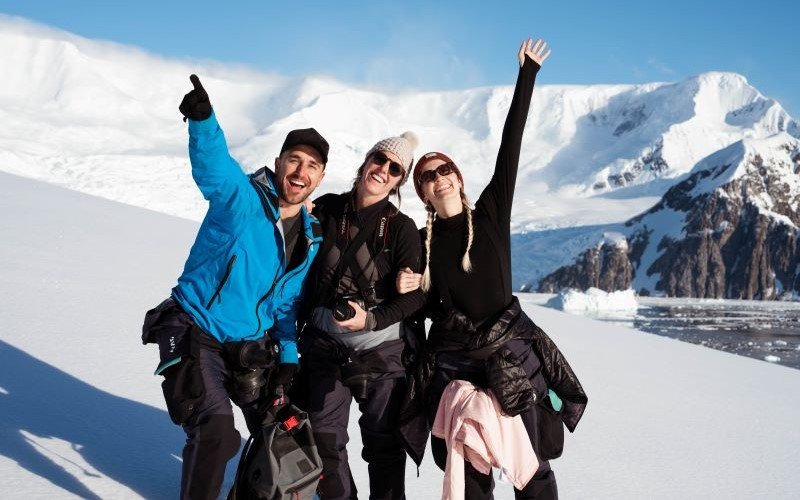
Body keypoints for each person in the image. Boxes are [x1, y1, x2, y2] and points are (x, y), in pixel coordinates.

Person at [396, 39, 588, 499]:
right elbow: (425, 309)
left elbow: (511, 144)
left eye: (444, 170)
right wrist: (405, 288)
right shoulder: (421, 246)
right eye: (427, 175)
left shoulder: (489, 215)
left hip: (511, 353)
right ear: (421, 193)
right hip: (457, 364)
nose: (438, 178)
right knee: (472, 470)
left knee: (531, 467)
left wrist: (527, 75)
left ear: (458, 178)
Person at [141, 74, 328, 500]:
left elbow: (285, 302)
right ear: (279, 162)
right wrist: (203, 122)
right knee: (215, 430)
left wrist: (289, 354)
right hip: (196, 331)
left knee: (283, 426)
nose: (301, 171)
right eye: (294, 159)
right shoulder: (242, 199)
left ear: (320, 177)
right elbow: (215, 169)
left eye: (312, 166)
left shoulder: (310, 237)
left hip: (249, 345)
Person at [296, 132, 427, 499]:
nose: (383, 170)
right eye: (379, 159)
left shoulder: (400, 229)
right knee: (323, 441)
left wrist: (369, 319)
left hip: (380, 351)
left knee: (384, 445)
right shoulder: (326, 208)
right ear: (366, 161)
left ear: (401, 180)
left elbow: (414, 299)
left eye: (394, 168)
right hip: (324, 347)